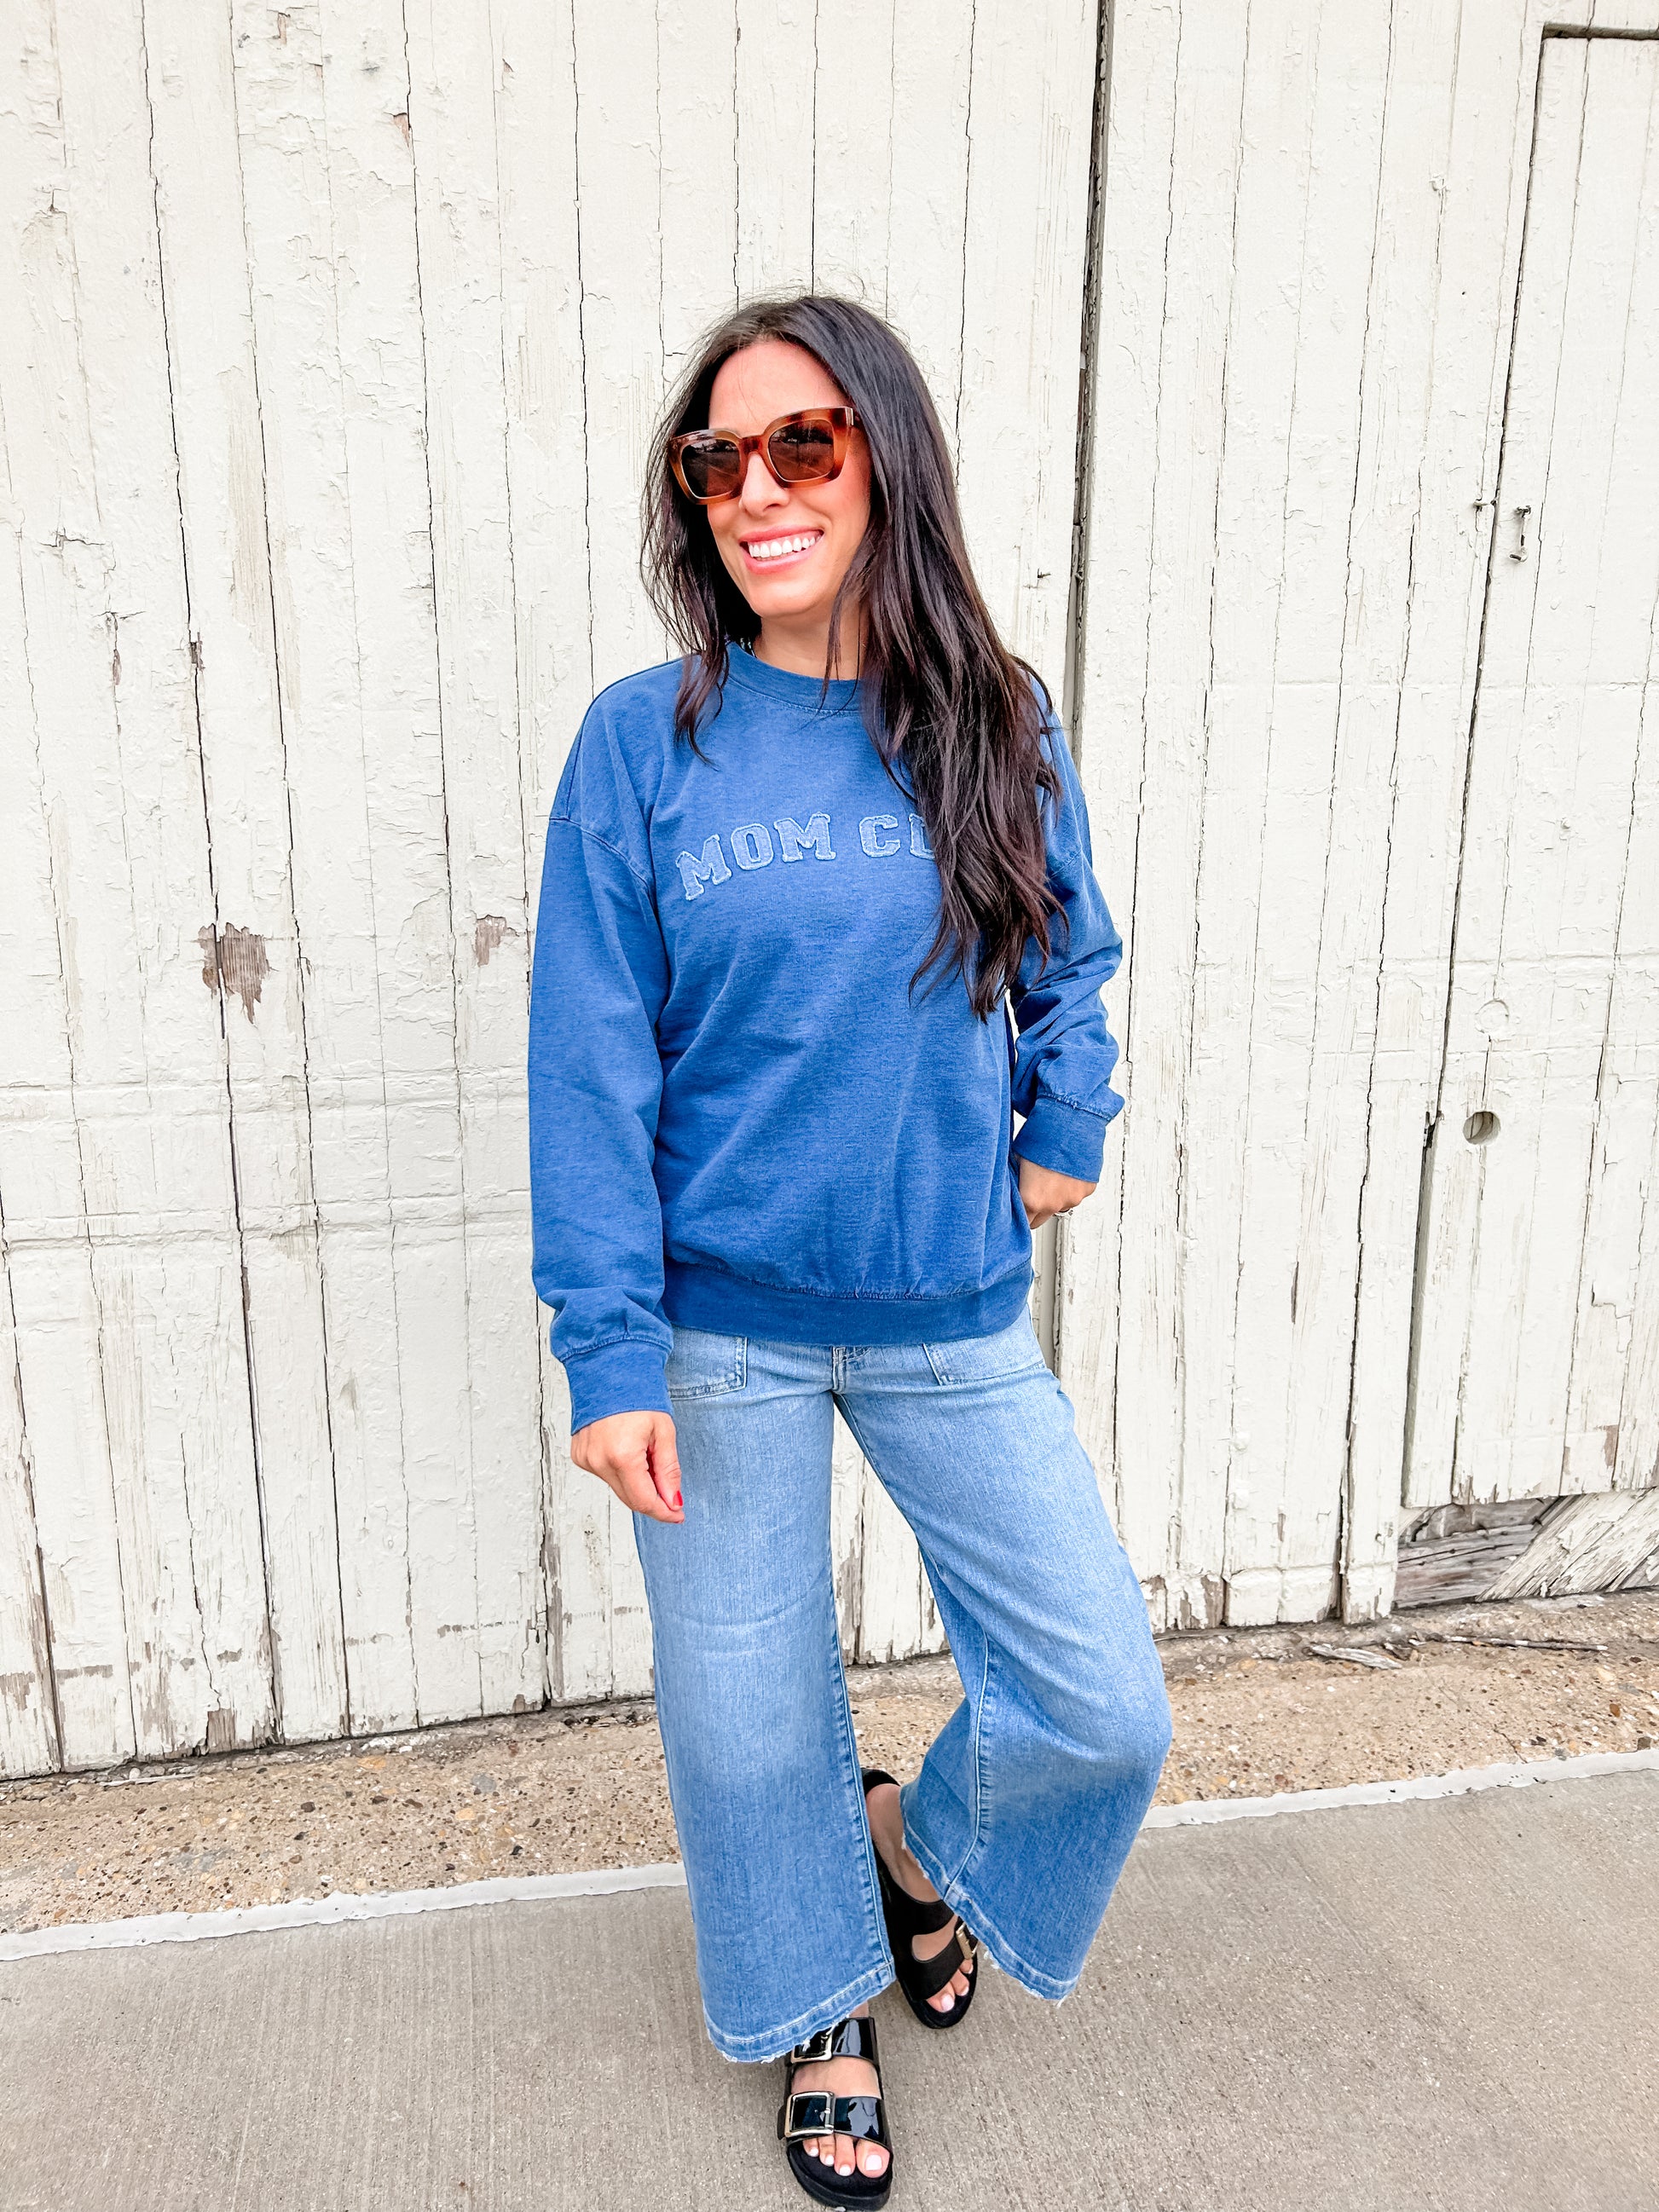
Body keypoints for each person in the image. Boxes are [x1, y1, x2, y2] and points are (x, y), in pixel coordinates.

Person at [528, 292, 1171, 2208]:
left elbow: (1069, 960)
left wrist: (1061, 1131)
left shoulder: (991, 717)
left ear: (882, 459)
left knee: (1097, 1702)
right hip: (716, 1325)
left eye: (800, 443)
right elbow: (587, 1062)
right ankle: (822, 2006)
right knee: (745, 1730)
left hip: (945, 1314)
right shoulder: (643, 745)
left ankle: (909, 1844)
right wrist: (608, 1349)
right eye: (714, 460)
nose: (756, 490)